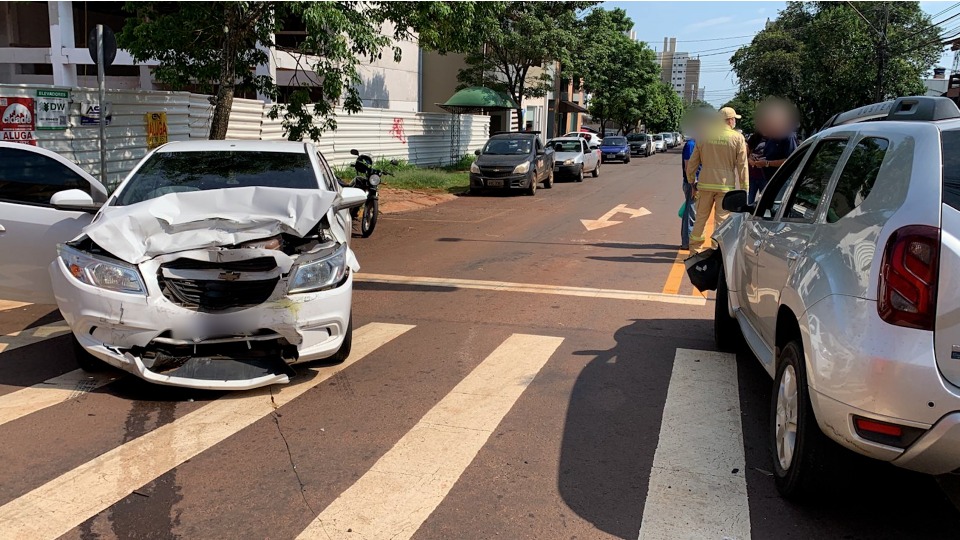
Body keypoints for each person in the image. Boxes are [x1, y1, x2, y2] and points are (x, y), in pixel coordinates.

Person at [685, 107, 749, 253]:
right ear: (730, 120)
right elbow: (742, 166)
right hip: (725, 187)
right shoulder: (737, 138)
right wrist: (745, 188)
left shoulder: (704, 135)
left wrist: (691, 181)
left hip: (705, 184)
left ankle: (695, 251)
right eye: (734, 120)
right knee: (721, 221)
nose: (735, 122)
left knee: (700, 219)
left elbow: (693, 162)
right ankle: (716, 251)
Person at [680, 136, 698, 250]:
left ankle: (686, 242)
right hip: (691, 184)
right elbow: (688, 167)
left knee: (689, 213)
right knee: (691, 213)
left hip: (694, 184)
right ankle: (687, 243)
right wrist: (693, 185)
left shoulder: (698, 143)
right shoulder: (691, 144)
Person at [746, 132, 767, 204]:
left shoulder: (773, 139)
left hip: (766, 175)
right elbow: (745, 154)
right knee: (750, 199)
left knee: (764, 200)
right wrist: (749, 160)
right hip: (752, 174)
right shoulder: (754, 138)